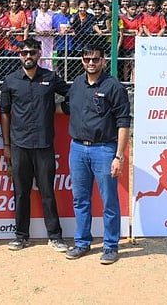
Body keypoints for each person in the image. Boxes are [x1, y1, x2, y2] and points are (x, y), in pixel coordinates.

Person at [0, 39, 70, 252]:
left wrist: (57, 109)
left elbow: (73, 95)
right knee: (21, 192)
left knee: (47, 191)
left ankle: (55, 236)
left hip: (44, 144)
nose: (27, 56)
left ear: (39, 54)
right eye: (23, 53)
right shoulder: (10, 80)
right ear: (19, 55)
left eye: (31, 52)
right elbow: (4, 113)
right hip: (19, 145)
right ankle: (21, 236)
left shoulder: (49, 78)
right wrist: (7, 145)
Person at [64, 46, 131, 264]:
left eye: (95, 59)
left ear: (103, 60)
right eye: (86, 59)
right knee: (80, 199)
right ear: (82, 61)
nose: (91, 63)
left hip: (104, 149)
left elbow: (123, 123)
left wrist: (119, 156)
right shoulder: (76, 85)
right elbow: (65, 109)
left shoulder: (114, 87)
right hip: (77, 148)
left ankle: (111, 246)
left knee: (109, 200)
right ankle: (82, 242)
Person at [135, 148, 167, 213]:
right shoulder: (162, 161)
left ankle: (141, 194)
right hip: (163, 180)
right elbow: (154, 166)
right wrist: (158, 172)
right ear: (166, 155)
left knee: (157, 193)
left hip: (164, 180)